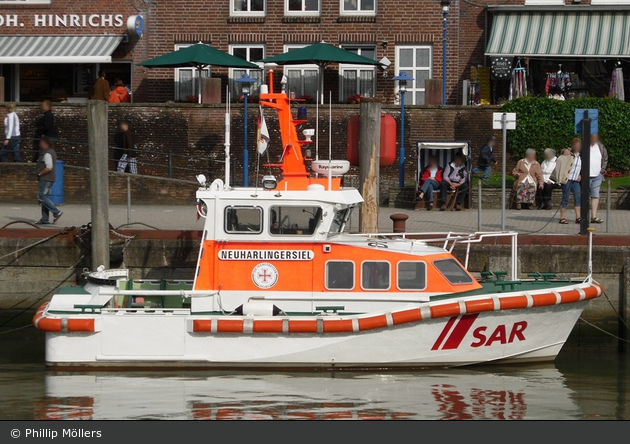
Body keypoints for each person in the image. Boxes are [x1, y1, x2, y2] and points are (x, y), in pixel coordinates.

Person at [553, 138, 582, 225]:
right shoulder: (569, 154)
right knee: (566, 197)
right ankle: (562, 217)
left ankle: (578, 217)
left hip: (575, 180)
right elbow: (563, 154)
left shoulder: (581, 155)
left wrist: (580, 175)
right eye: (576, 145)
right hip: (567, 179)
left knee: (578, 197)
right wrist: (565, 150)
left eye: (579, 145)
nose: (577, 147)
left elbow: (582, 167)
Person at [35, 137, 63, 225]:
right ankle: (44, 218)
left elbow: (49, 167)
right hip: (48, 178)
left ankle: (56, 212)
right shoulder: (51, 152)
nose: (40, 145)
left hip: (46, 178)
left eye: (41, 143)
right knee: (45, 198)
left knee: (41, 196)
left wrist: (40, 174)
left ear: (45, 143)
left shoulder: (47, 154)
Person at [589, 134, 608, 224]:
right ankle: (581, 216)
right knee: (584, 196)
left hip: (597, 175)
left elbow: (605, 159)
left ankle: (594, 216)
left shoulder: (601, 146)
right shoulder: (583, 146)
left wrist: (601, 171)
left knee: (595, 195)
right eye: (593, 137)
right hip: (586, 176)